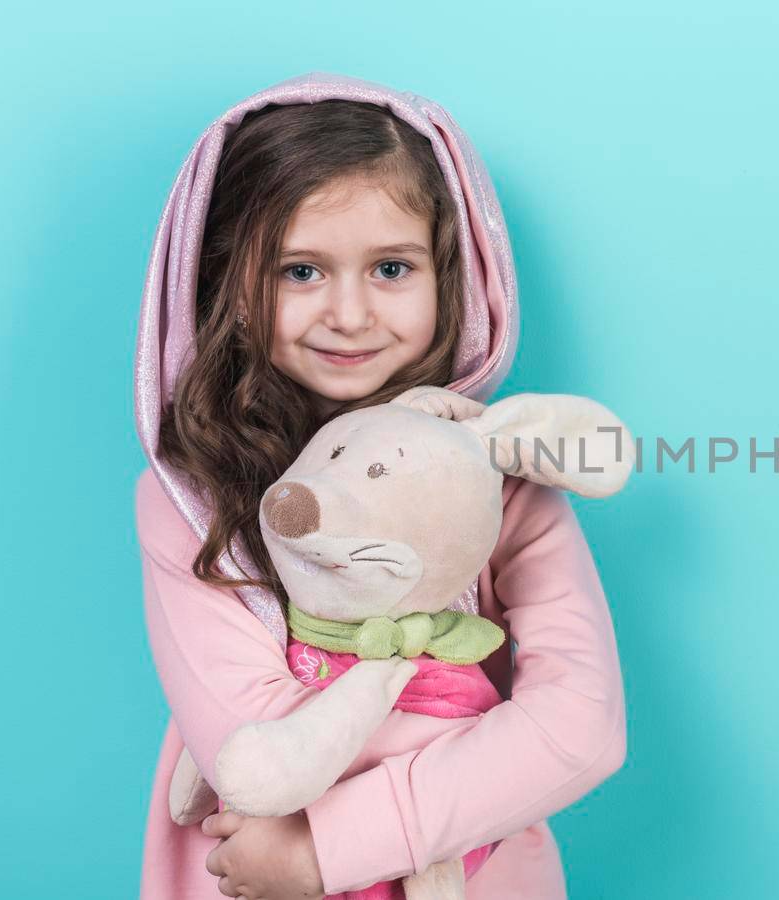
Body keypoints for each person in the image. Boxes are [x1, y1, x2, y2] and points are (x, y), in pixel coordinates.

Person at [133, 72, 628, 899]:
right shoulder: (190, 499)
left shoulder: (500, 486)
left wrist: (325, 849)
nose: (352, 314)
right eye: (300, 272)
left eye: (392, 267)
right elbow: (257, 742)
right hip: (246, 876)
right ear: (230, 286)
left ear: (450, 275)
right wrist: (489, 758)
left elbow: (583, 729)